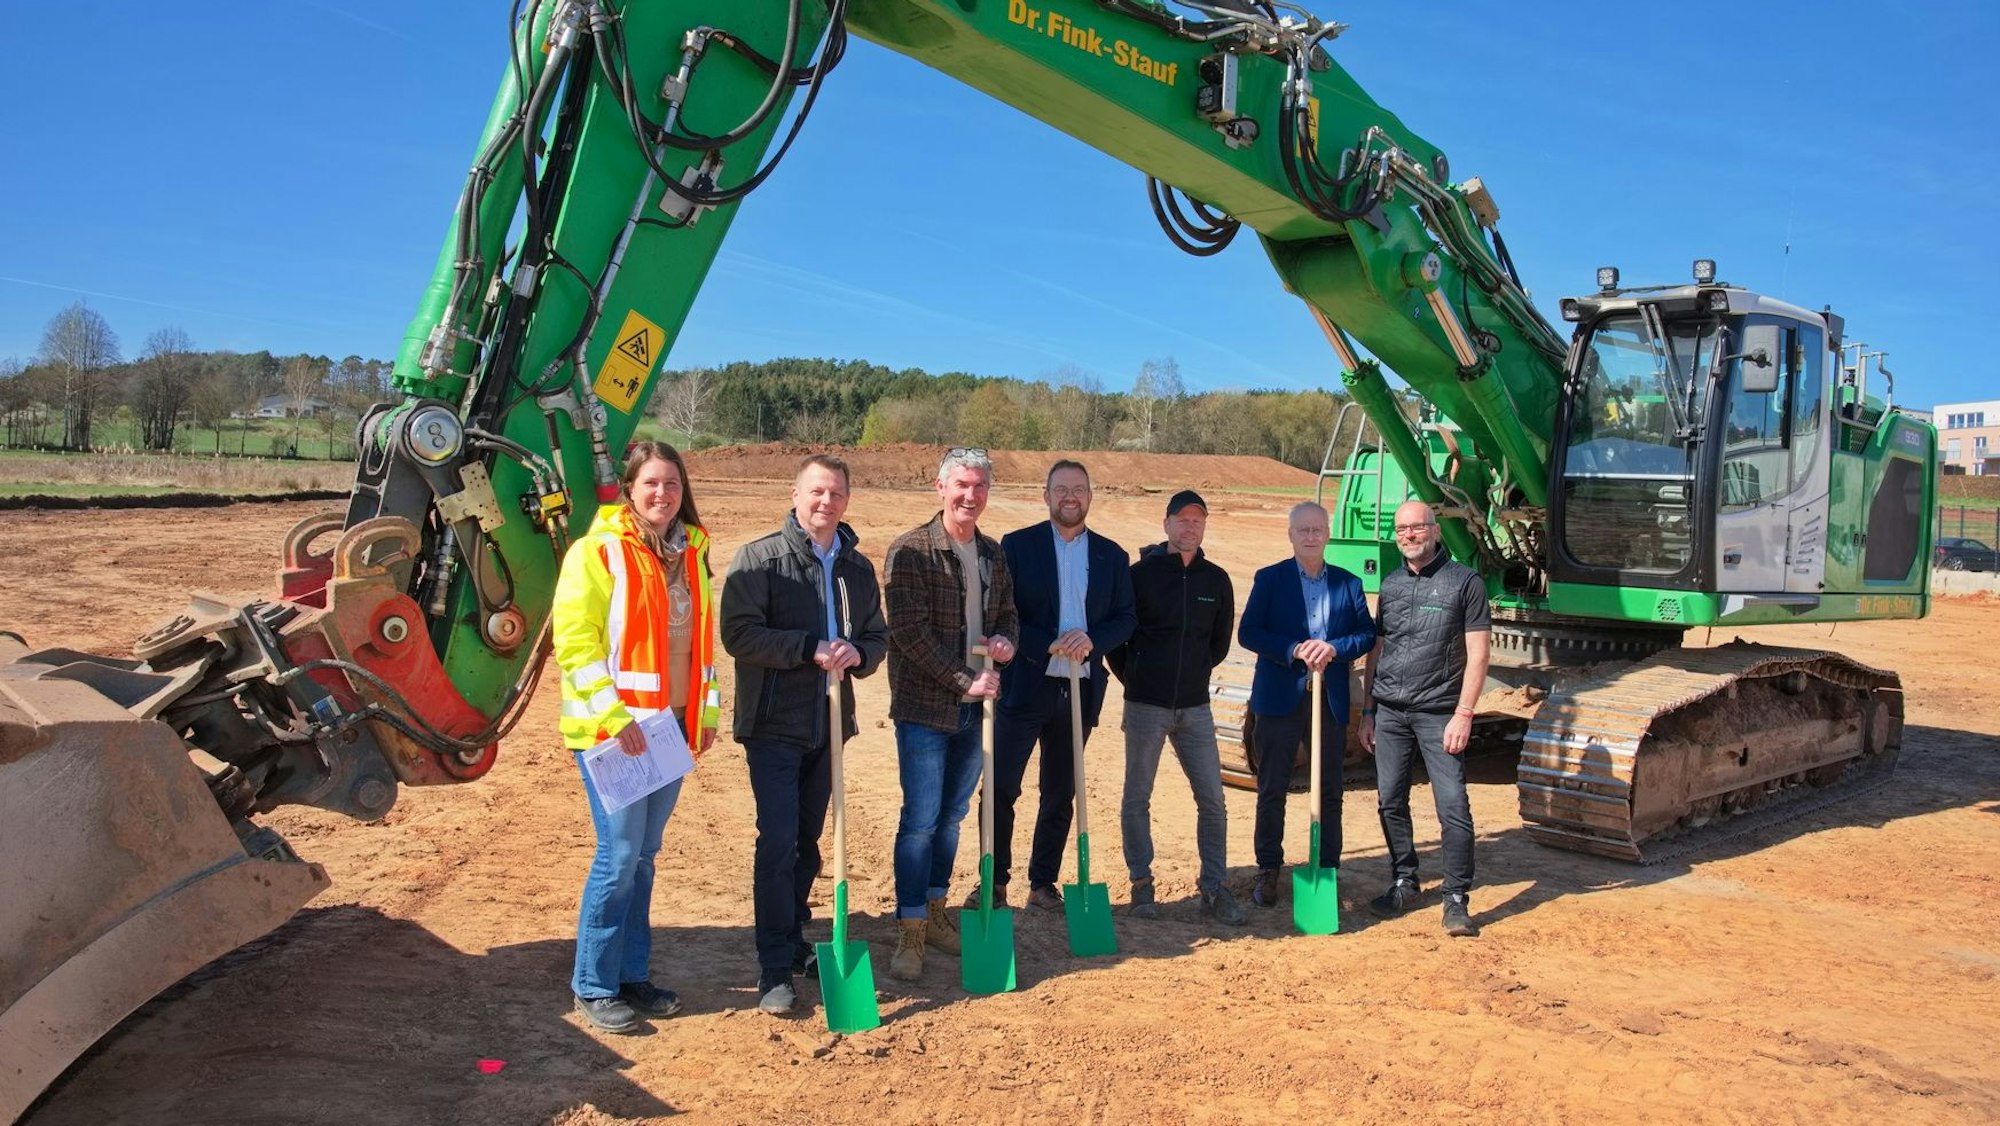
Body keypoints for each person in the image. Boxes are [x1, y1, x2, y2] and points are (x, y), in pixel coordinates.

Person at [551, 440, 720, 1034]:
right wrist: (614, 719)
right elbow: (575, 643)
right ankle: (592, 984)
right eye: (651, 483)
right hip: (616, 731)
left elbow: (699, 644)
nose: (662, 494)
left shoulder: (691, 554)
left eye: (672, 484)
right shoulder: (596, 552)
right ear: (628, 487)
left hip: (670, 727)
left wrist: (706, 714)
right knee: (618, 856)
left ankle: (631, 975)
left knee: (645, 858)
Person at [720, 454, 889, 1016]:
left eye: (837, 494)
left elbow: (876, 639)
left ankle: (793, 941)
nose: (826, 502)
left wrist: (856, 652)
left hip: (830, 725)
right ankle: (773, 967)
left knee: (810, 842)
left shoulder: (858, 570)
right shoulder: (760, 558)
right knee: (778, 841)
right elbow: (739, 635)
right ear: (795, 494)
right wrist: (808, 647)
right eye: (817, 492)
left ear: (846, 501)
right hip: (773, 725)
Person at [882, 448, 1019, 981]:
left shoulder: (992, 553)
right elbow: (908, 634)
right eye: (961, 485)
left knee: (953, 818)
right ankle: (910, 928)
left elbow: (1007, 612)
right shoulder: (910, 551)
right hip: (925, 709)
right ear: (940, 488)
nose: (970, 495)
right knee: (919, 822)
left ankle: (937, 910)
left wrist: (1006, 641)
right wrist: (967, 679)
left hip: (975, 711)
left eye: (980, 487)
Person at [987, 460, 1135, 912]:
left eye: (1079, 490)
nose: (1071, 497)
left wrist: (1092, 640)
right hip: (1026, 684)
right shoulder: (1016, 546)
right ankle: (992, 882)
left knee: (1059, 791)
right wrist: (1047, 643)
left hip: (1080, 690)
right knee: (999, 787)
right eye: (1062, 489)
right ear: (1046, 495)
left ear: (1090, 496)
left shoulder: (1113, 555)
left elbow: (1126, 618)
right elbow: (1001, 615)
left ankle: (1042, 882)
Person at [1108, 489, 1244, 925]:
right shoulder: (1139, 576)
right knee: (1137, 798)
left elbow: (1218, 644)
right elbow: (1118, 642)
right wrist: (1141, 677)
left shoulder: (1216, 580)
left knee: (1213, 801)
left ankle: (1214, 887)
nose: (1190, 526)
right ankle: (1142, 884)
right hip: (1146, 705)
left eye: (1197, 520)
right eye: (1182, 519)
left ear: (1204, 526)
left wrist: (1191, 676)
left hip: (1195, 708)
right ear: (1166, 524)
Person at [1360, 499, 1491, 938]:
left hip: (1440, 714)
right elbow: (1377, 651)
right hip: (1390, 712)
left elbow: (1478, 654)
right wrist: (1368, 711)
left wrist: (1464, 713)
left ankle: (1455, 898)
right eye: (1401, 530)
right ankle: (1404, 880)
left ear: (1435, 531)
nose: (1409, 536)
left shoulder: (1464, 583)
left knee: (1452, 806)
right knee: (1389, 800)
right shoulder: (1392, 584)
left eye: (1417, 528)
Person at [1236, 502, 1375, 910]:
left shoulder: (1348, 584)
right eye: (1303, 530)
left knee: (1330, 788)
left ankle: (1326, 867)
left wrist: (1333, 648)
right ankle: (1268, 869)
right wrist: (1294, 648)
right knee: (1273, 785)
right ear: (1291, 535)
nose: (1311, 536)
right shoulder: (1270, 579)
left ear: (1327, 533)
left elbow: (1367, 635)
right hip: (1280, 697)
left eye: (1317, 530)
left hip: (1328, 700)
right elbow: (1249, 632)